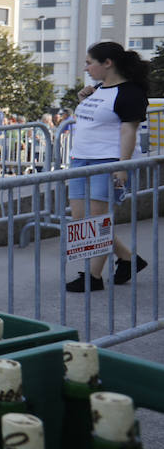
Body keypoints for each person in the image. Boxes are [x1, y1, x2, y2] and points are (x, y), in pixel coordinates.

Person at [66, 41, 150, 292]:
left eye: (89, 62)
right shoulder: (99, 89)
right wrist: (83, 99)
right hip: (80, 160)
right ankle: (127, 258)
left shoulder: (130, 93)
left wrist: (122, 166)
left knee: (98, 220)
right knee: (81, 219)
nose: (86, 68)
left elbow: (128, 132)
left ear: (107, 63)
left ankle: (93, 276)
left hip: (107, 162)